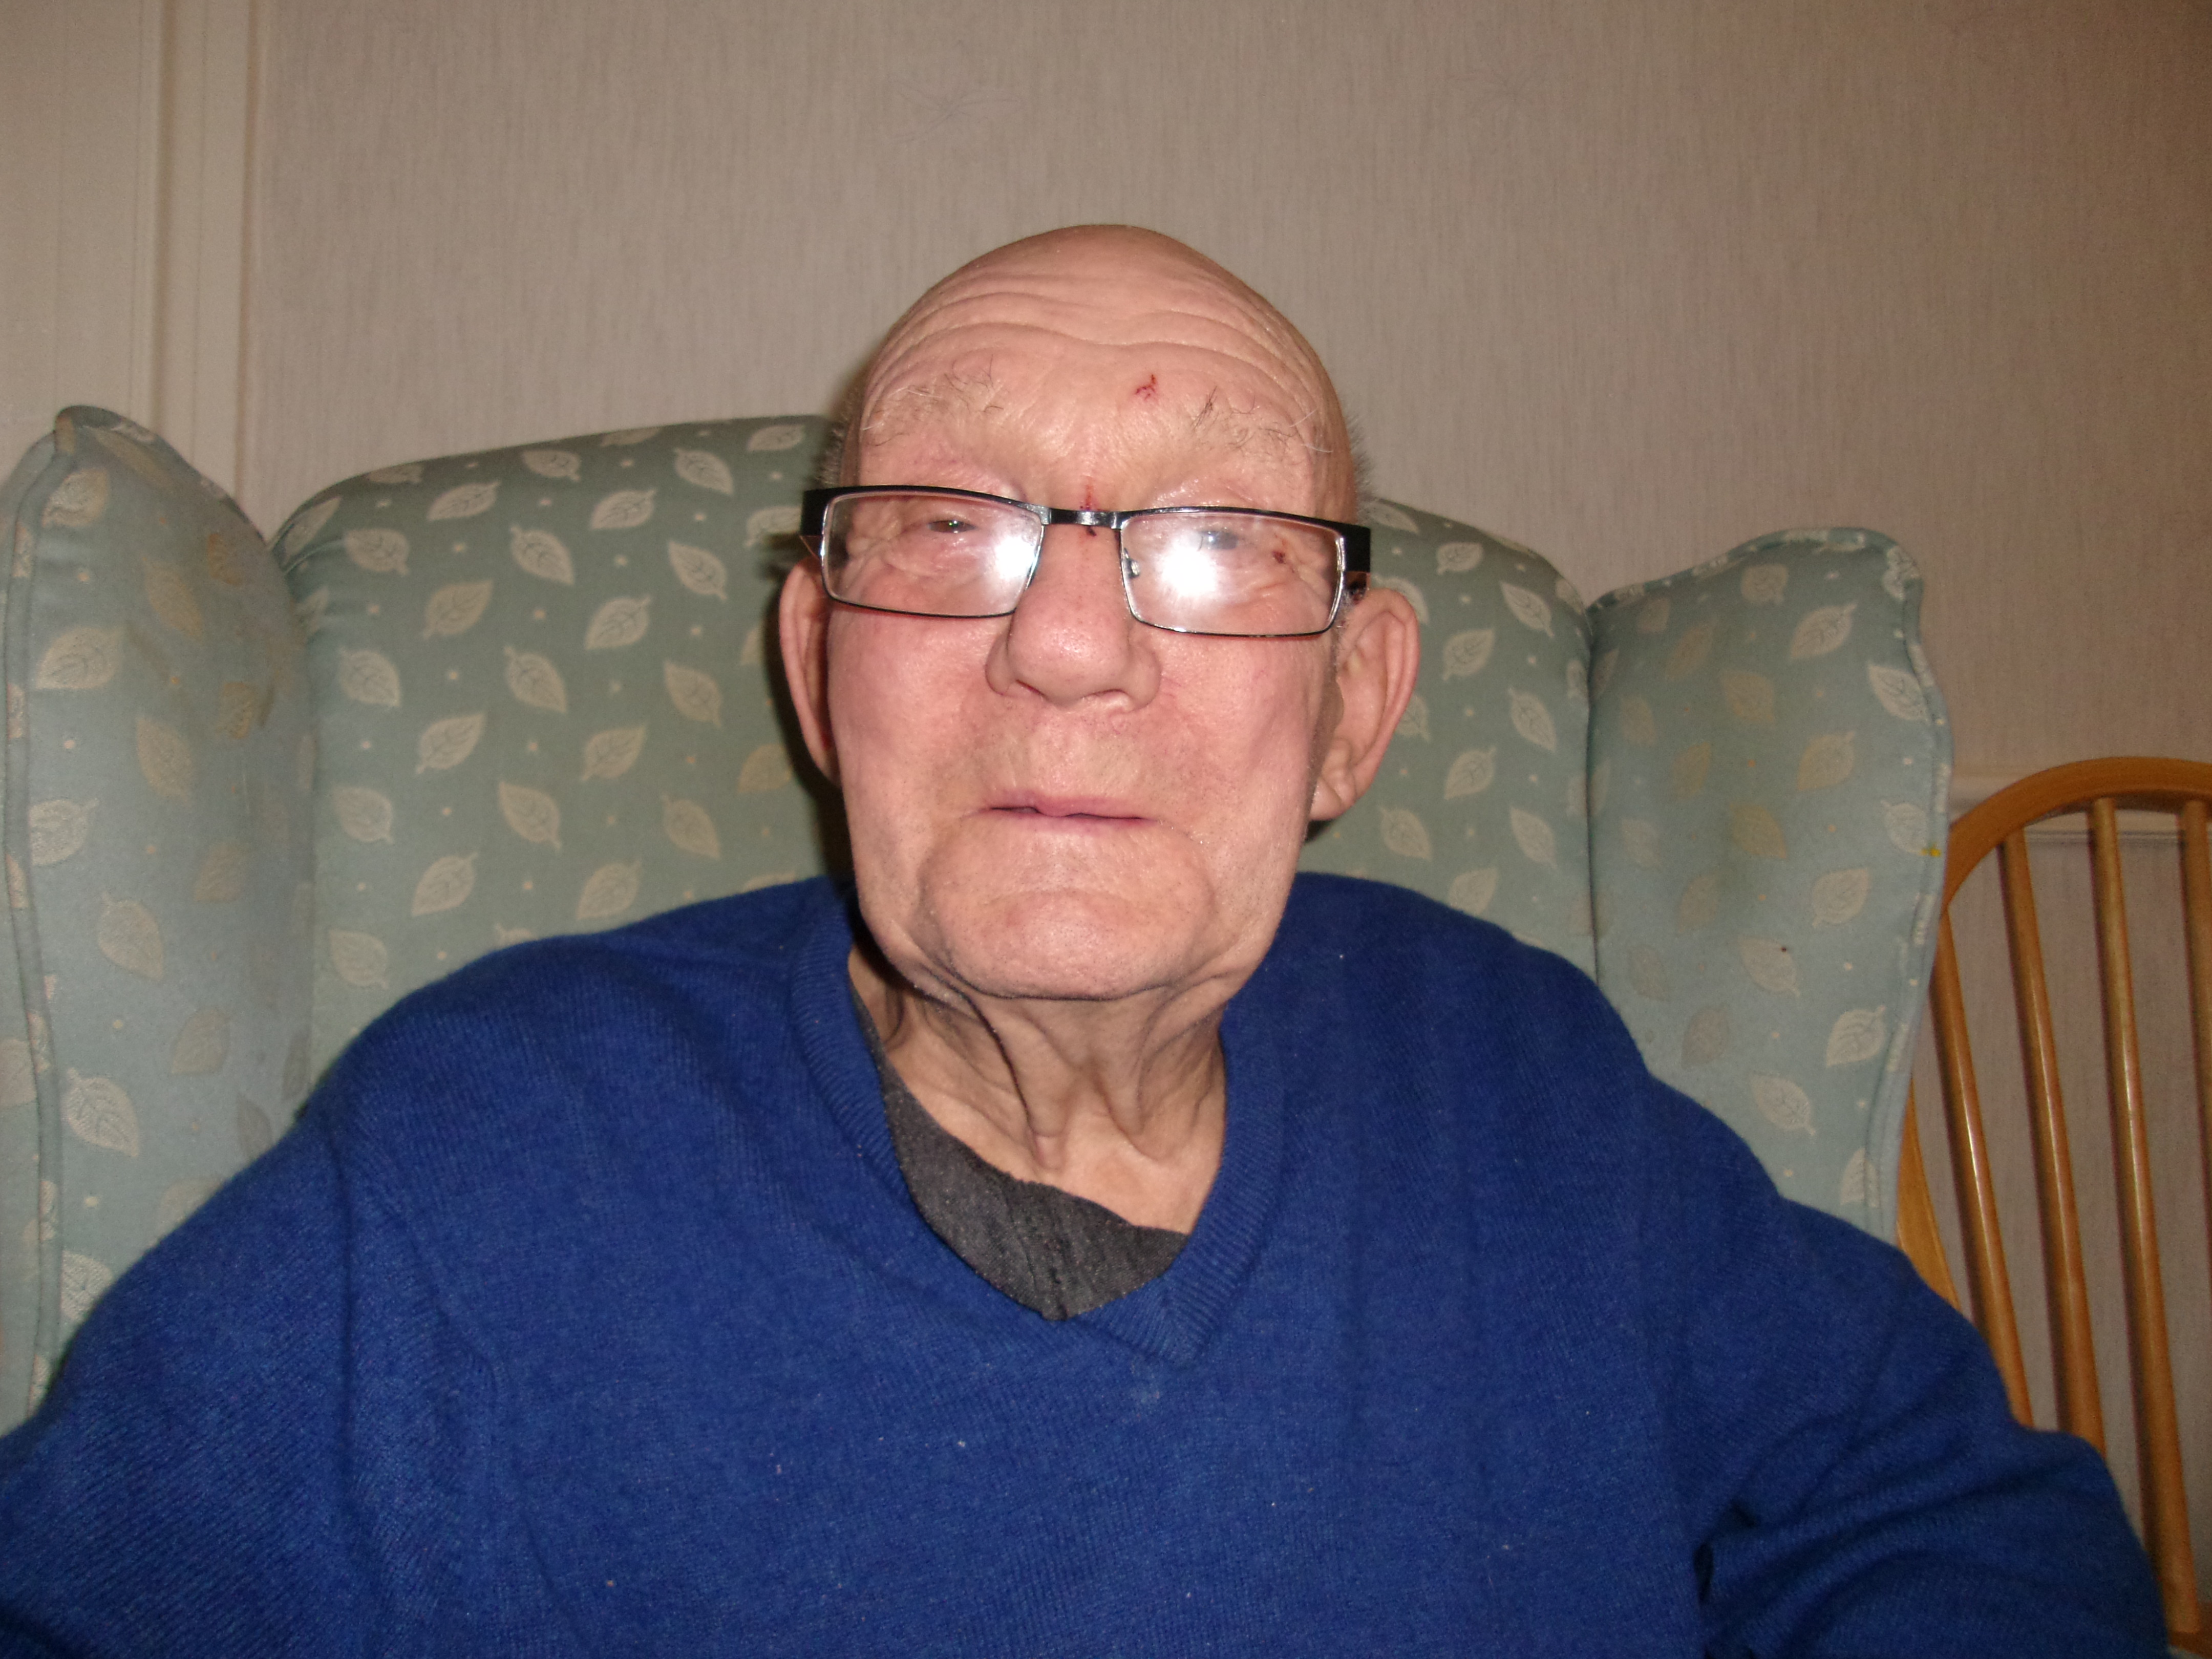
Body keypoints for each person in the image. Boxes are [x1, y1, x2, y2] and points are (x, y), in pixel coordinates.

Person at [0, 227, 2164, 1655]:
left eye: (1214, 544)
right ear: (816, 661)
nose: (1062, 644)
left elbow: (1946, 1515)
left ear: (1358, 709)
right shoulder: (480, 1158)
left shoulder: (1519, 1071)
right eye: (949, 529)